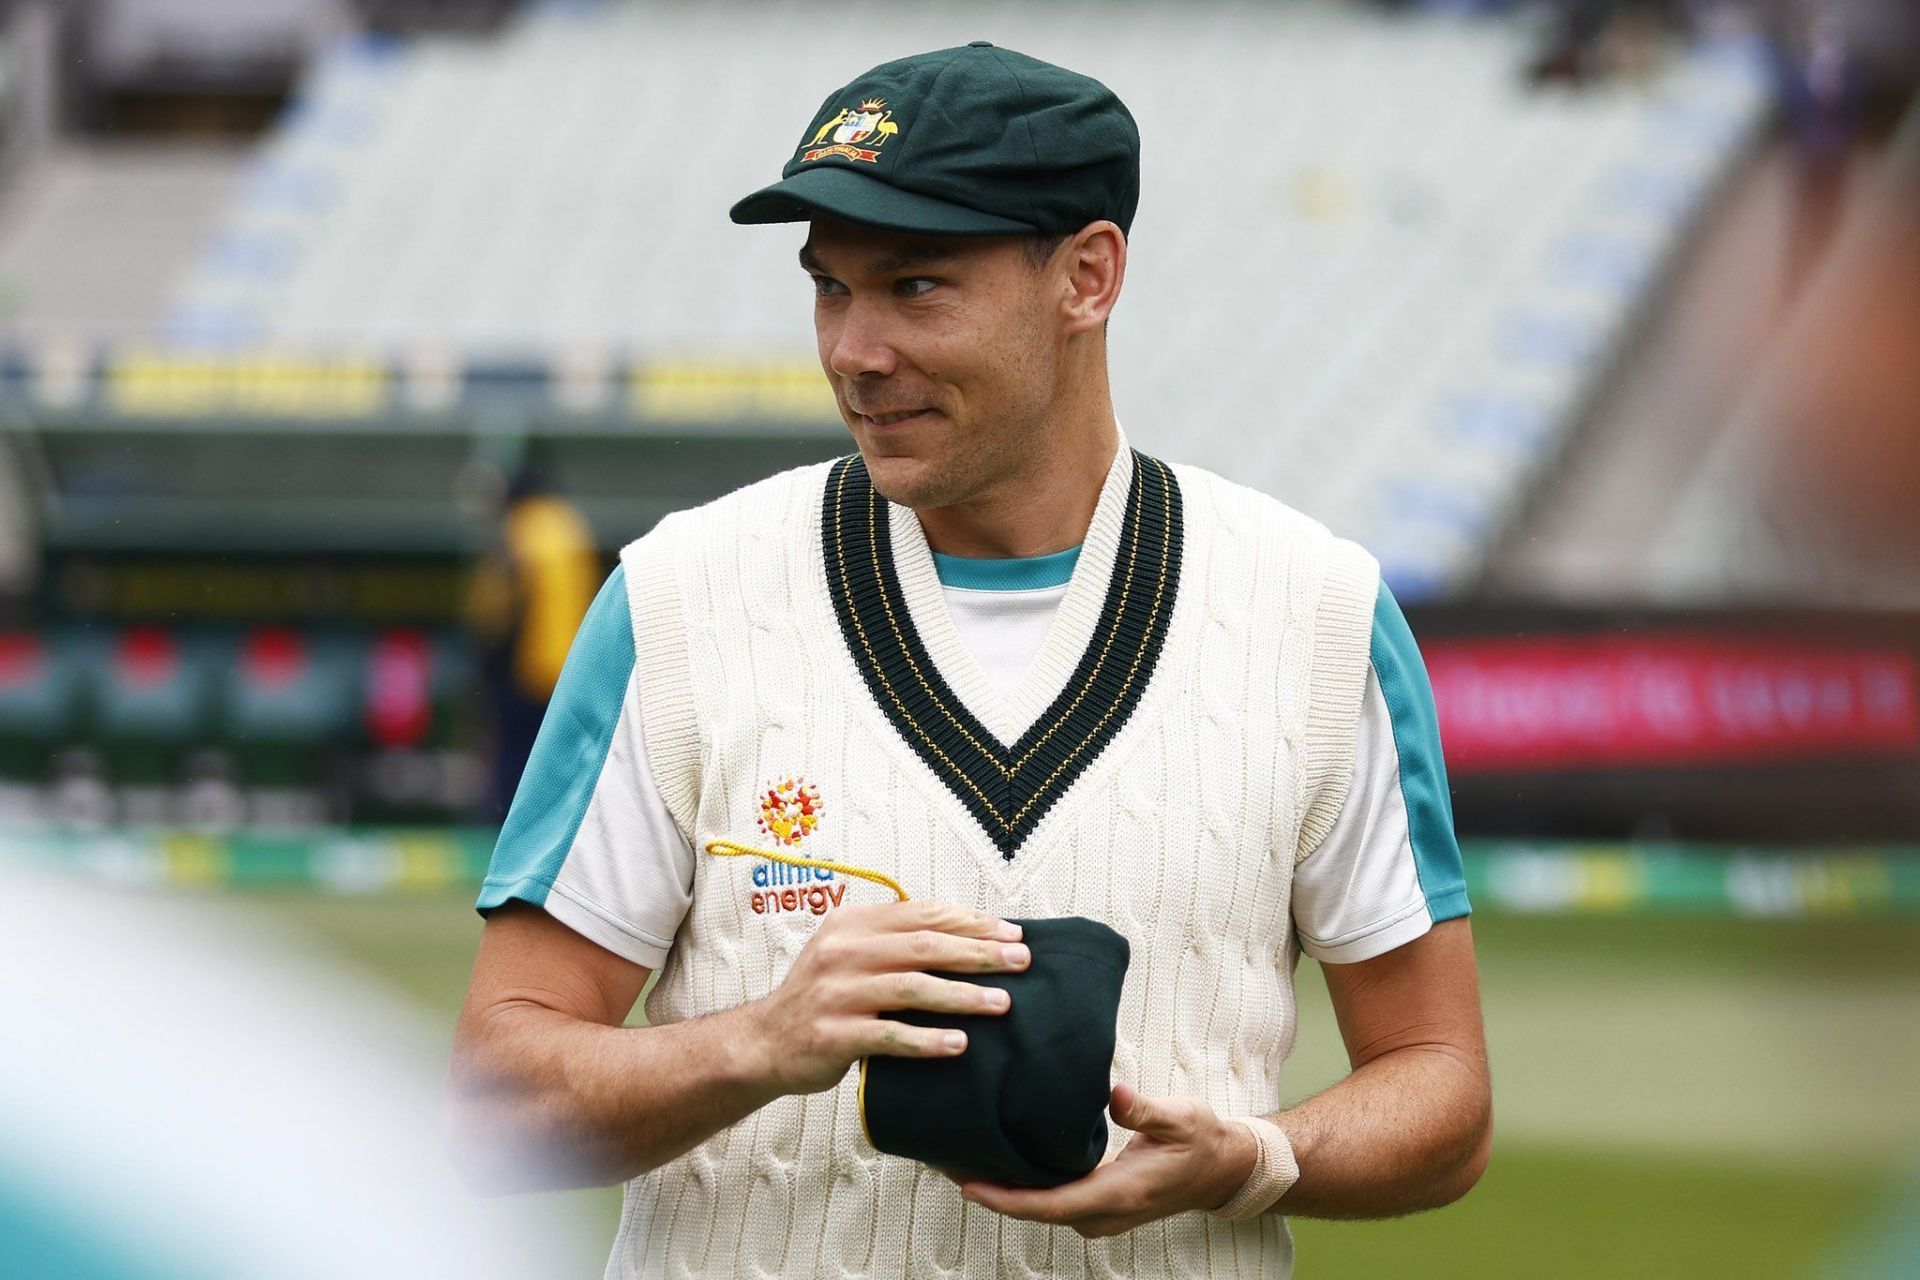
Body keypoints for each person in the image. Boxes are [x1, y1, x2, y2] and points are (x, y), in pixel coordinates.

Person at [448, 41, 1491, 1279]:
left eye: (918, 286)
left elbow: (1444, 1088)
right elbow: (494, 1098)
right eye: (831, 287)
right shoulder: (680, 599)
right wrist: (762, 1040)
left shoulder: (1317, 612)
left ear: (1088, 276)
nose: (854, 348)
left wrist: (1258, 1153)